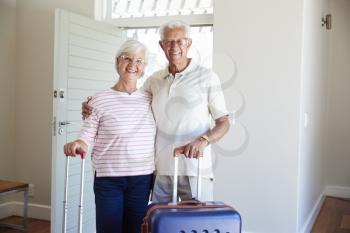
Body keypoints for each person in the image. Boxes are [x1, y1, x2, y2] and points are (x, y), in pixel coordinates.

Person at [83, 20, 230, 203]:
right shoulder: (154, 80)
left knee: (192, 227)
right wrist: (94, 104)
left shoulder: (207, 77)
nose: (174, 46)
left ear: (189, 43)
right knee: (159, 225)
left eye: (180, 41)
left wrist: (203, 141)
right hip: (160, 170)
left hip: (195, 169)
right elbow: (129, 100)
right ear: (162, 45)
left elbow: (224, 122)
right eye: (168, 41)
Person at [64, 39, 156, 233]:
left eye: (139, 61)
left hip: (141, 178)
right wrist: (78, 143)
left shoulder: (150, 98)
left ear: (144, 67)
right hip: (109, 178)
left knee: (135, 229)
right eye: (127, 58)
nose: (133, 64)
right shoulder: (99, 99)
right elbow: (87, 134)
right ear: (117, 62)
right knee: (109, 229)